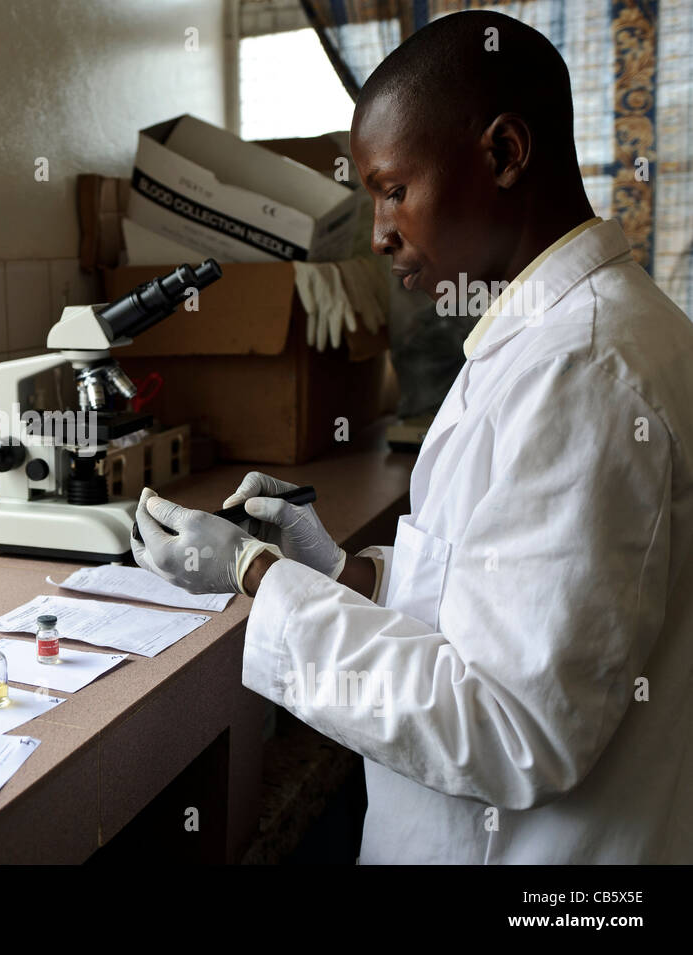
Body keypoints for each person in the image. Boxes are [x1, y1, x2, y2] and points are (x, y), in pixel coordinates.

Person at [131, 9, 693, 863]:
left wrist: (254, 573)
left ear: (504, 155)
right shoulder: (544, 336)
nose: (380, 232)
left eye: (395, 189)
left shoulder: (584, 370)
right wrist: (337, 569)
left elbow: (512, 725)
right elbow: (495, 595)